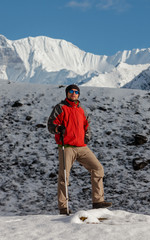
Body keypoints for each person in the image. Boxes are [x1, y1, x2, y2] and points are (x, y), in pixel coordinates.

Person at [47, 84, 112, 215]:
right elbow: (50, 124)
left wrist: (86, 137)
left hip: (82, 147)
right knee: (64, 177)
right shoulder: (60, 108)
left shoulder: (82, 110)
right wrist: (57, 129)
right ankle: (63, 207)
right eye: (71, 91)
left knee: (98, 168)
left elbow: (86, 125)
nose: (73, 93)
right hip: (67, 147)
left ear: (79, 94)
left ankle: (98, 201)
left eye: (76, 92)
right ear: (67, 93)